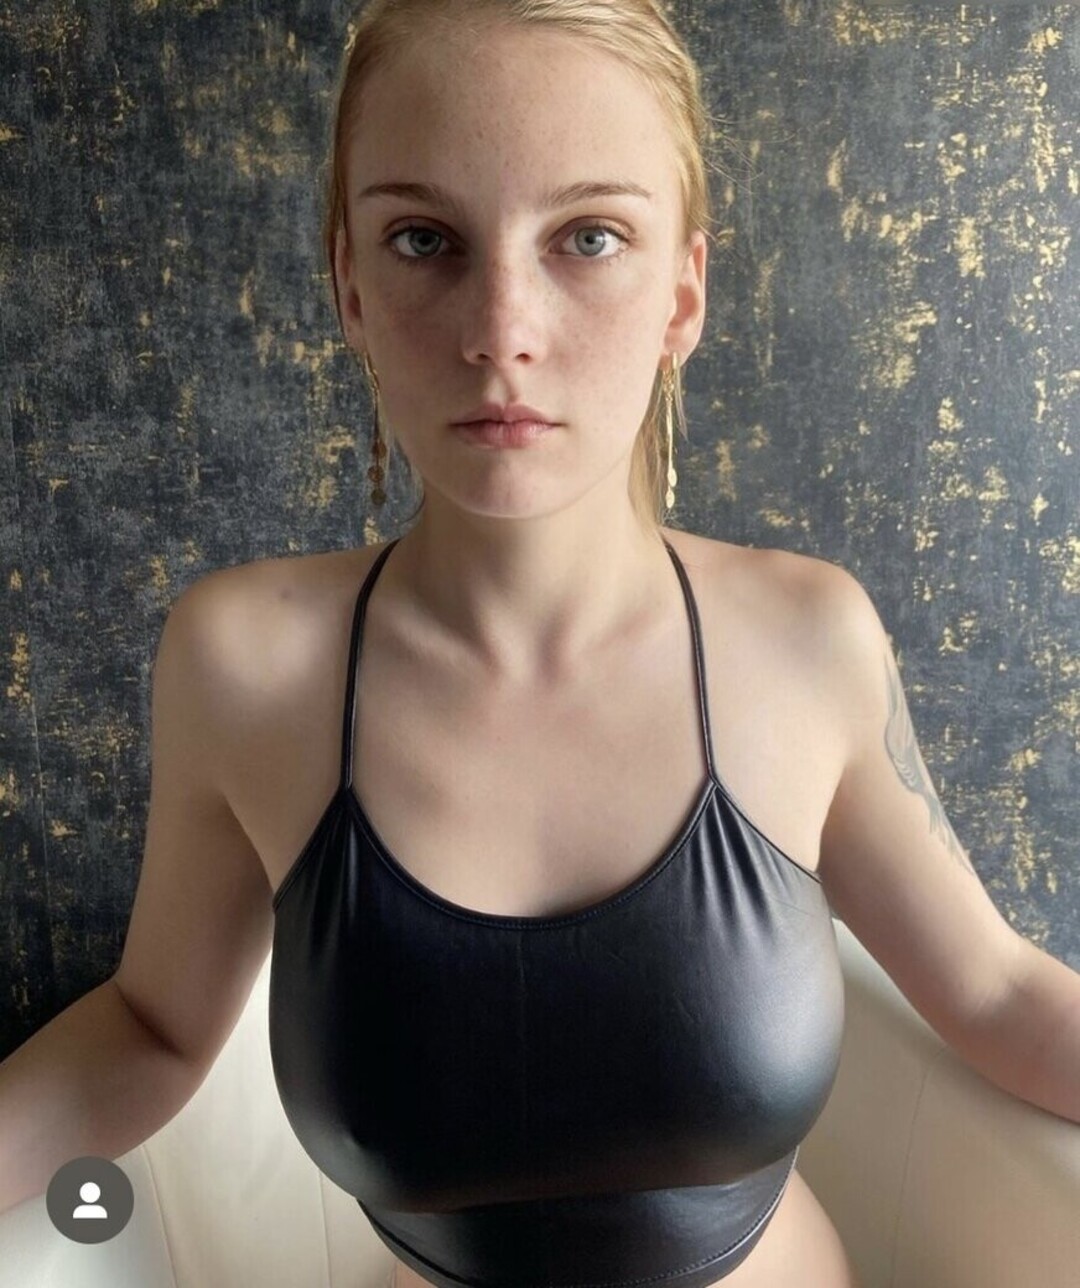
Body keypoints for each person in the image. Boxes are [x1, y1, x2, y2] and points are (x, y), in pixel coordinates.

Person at [4, 2, 1078, 1286]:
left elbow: (999, 998)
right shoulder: (245, 667)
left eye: (588, 237)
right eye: (424, 240)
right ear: (350, 285)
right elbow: (152, 1029)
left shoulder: (806, 642)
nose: (501, 328)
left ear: (683, 290)